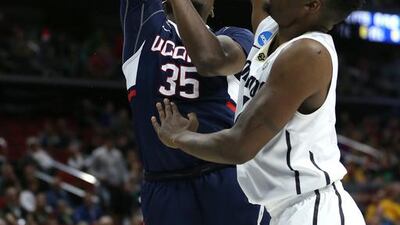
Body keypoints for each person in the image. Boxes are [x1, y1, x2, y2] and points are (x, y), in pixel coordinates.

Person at [151, 0, 368, 224]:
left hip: (313, 211)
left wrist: (179, 137)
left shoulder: (309, 53)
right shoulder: (269, 28)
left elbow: (239, 146)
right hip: (283, 209)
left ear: (311, 5)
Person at [120, 0, 269, 224]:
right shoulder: (144, 27)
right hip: (164, 188)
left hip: (228, 177)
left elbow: (212, 59)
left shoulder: (238, 36)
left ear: (214, 8)